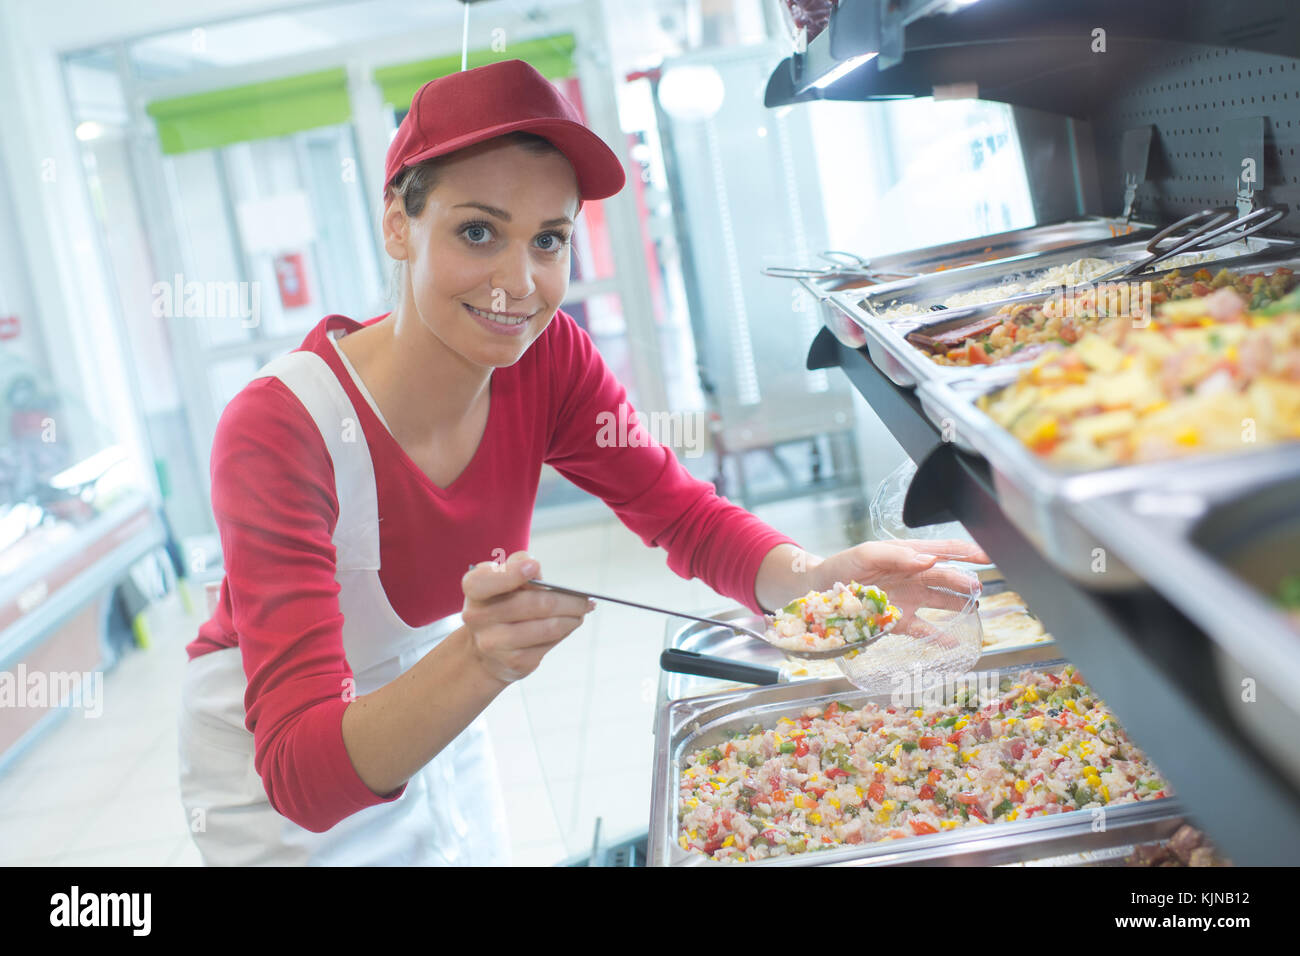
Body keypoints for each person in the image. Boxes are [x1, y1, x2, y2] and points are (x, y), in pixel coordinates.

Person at [178, 59, 986, 866]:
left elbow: (683, 515)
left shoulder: (547, 357)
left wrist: (819, 585)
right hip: (281, 763)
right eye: (477, 231)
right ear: (398, 222)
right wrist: (480, 655)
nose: (518, 284)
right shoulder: (284, 427)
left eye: (550, 240)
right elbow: (302, 776)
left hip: (429, 695)